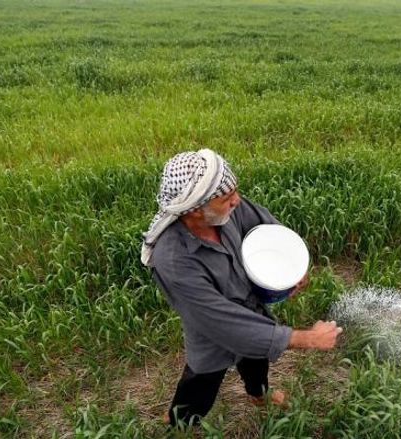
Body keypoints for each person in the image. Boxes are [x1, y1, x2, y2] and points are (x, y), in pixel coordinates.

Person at [141, 149, 342, 427]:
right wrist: (306, 338)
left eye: (235, 191)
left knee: (256, 361)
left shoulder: (224, 209)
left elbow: (263, 222)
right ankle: (180, 423)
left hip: (251, 309)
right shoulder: (174, 259)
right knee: (201, 382)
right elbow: (224, 324)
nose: (236, 200)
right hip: (212, 331)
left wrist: (292, 269)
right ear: (195, 210)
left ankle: (258, 395)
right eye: (227, 197)